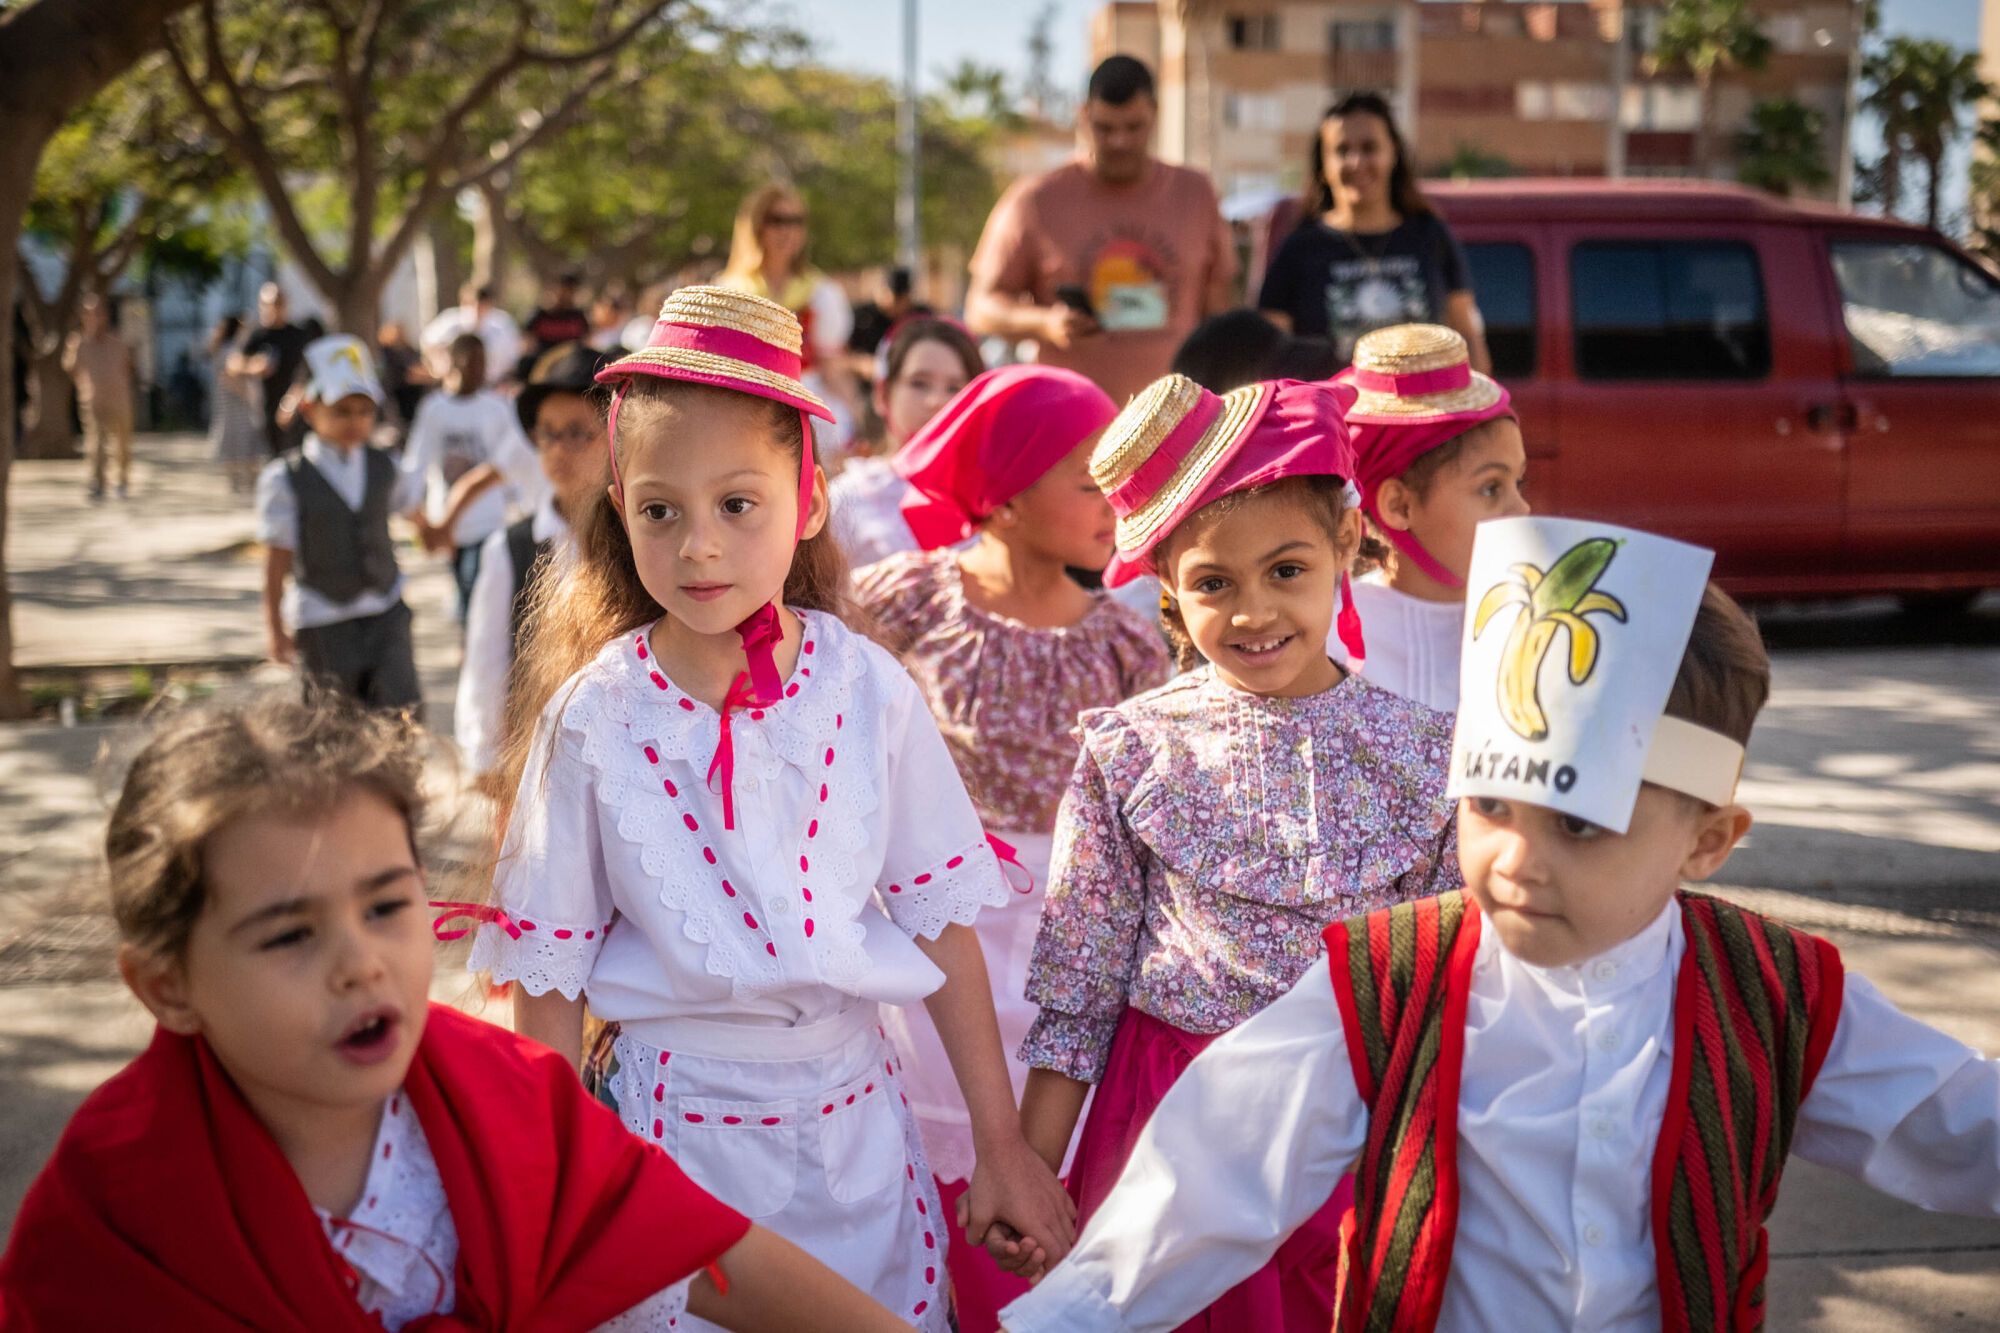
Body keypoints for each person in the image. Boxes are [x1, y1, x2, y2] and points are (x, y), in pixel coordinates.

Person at [1002, 519, 2000, 1332]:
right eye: (1487, 808)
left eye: (1576, 824)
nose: (1514, 861)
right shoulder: (1388, 984)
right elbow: (1210, 1175)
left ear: (1707, 840)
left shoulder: (1778, 994)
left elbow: (1952, 1122)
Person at [465, 286, 1076, 1332]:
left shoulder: (869, 687)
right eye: (661, 510)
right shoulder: (593, 717)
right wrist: (558, 1190)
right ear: (622, 510)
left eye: (735, 505)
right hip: (672, 1151)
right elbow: (549, 979)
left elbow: (940, 920)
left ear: (810, 501)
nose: (698, 546)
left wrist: (1001, 1143)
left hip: (858, 1145)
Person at [0, 691, 916, 1331]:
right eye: (289, 935)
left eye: (388, 905)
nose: (361, 963)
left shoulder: (509, 1097)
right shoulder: (114, 1203)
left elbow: (710, 1256)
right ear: (166, 986)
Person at [1011, 373, 1461, 1330]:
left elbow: (1450, 985)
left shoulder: (1427, 755)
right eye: (1215, 583)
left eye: (1287, 570)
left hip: (1353, 1123)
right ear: (1169, 589)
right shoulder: (1129, 748)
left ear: (1345, 544)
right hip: (1166, 1118)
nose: (1254, 611)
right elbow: (1079, 985)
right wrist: (1027, 1166)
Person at [854, 365, 1172, 1333]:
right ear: (1007, 488)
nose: (1111, 505)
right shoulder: (904, 603)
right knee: (928, 1166)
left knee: (1049, 1177)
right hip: (929, 954)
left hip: (1066, 959)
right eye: (1086, 479)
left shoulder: (1126, 638)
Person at [965, 56, 1237, 405]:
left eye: (1134, 127)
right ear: (1083, 115)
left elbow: (1219, 312)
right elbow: (980, 307)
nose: (1120, 141)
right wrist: (1045, 323)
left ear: (1155, 112)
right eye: (1105, 128)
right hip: (1072, 426)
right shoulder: (1035, 200)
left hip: (1179, 422)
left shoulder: (1196, 193)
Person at [1330, 323, 1527, 712]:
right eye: (1491, 488)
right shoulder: (1328, 640)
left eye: (1520, 482)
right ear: (1400, 507)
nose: (1522, 509)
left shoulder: (1533, 626)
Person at [455, 341, 606, 783]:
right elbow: (486, 658)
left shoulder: (640, 539)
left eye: (579, 433)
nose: (560, 449)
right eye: (548, 434)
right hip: (538, 763)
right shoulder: (512, 546)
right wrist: (483, 755)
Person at [256, 335, 428, 713]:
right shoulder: (286, 478)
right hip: (323, 619)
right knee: (333, 731)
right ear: (309, 409)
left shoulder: (384, 465)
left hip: (385, 610)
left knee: (401, 714)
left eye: (363, 412)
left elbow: (416, 516)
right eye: (341, 411)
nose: (354, 421)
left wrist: (441, 531)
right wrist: (274, 626)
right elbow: (277, 557)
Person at [1258, 93, 1491, 371]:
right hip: (1333, 413)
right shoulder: (1299, 249)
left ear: (1393, 153)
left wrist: (1479, 407)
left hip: (1424, 410)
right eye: (1342, 150)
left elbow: (1467, 333)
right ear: (1324, 165)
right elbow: (1269, 357)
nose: (1356, 162)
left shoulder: (1430, 235)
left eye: (1369, 148)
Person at [829, 316, 985, 568]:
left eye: (955, 388)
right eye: (919, 383)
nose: (936, 400)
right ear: (883, 394)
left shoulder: (998, 504)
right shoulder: (846, 497)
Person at [716, 186, 862, 439]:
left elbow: (830, 362)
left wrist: (855, 412)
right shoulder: (728, 290)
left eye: (797, 222)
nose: (788, 231)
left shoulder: (820, 292)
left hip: (806, 402)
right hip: (743, 404)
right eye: (777, 221)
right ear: (756, 226)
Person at [399, 333, 524, 622]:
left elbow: (509, 469)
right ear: (451, 361)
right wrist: (419, 518)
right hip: (447, 524)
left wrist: (516, 512)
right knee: (464, 593)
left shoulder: (497, 408)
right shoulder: (434, 409)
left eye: (480, 360)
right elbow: (417, 462)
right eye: (468, 358)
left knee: (477, 599)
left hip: (489, 523)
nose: (474, 366)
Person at [62, 295, 135, 501]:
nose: (94, 317)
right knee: (95, 444)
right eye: (89, 313)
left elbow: (128, 368)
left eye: (98, 313)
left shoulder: (117, 342)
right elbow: (71, 368)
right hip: (93, 400)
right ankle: (97, 483)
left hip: (119, 400)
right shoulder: (78, 343)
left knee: (122, 444)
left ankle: (121, 481)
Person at [236, 282, 312, 457]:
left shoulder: (297, 335)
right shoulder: (256, 334)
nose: (273, 308)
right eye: (268, 304)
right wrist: (253, 366)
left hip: (295, 409)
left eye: (278, 303)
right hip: (264, 408)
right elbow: (234, 363)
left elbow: (305, 372)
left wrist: (291, 401)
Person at [206, 313, 264, 495]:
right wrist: (247, 394)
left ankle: (236, 481)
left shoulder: (221, 348)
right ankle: (245, 481)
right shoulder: (233, 350)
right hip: (237, 400)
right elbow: (228, 377)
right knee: (244, 437)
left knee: (232, 436)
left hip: (225, 401)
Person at [421, 284, 521, 388]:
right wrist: (438, 368)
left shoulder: (502, 325)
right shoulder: (449, 323)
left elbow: (512, 360)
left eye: (482, 306)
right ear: (463, 303)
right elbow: (428, 344)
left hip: (491, 386)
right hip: (452, 386)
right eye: (471, 304)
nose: (476, 310)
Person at [375, 321, 431, 430]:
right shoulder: (389, 354)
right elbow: (406, 373)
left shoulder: (408, 350)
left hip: (412, 397)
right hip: (398, 398)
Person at [523, 271, 592, 356]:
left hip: (572, 360)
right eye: (563, 288)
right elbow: (527, 341)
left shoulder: (578, 317)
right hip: (542, 359)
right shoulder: (540, 315)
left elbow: (587, 341)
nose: (566, 294)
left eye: (570, 289)